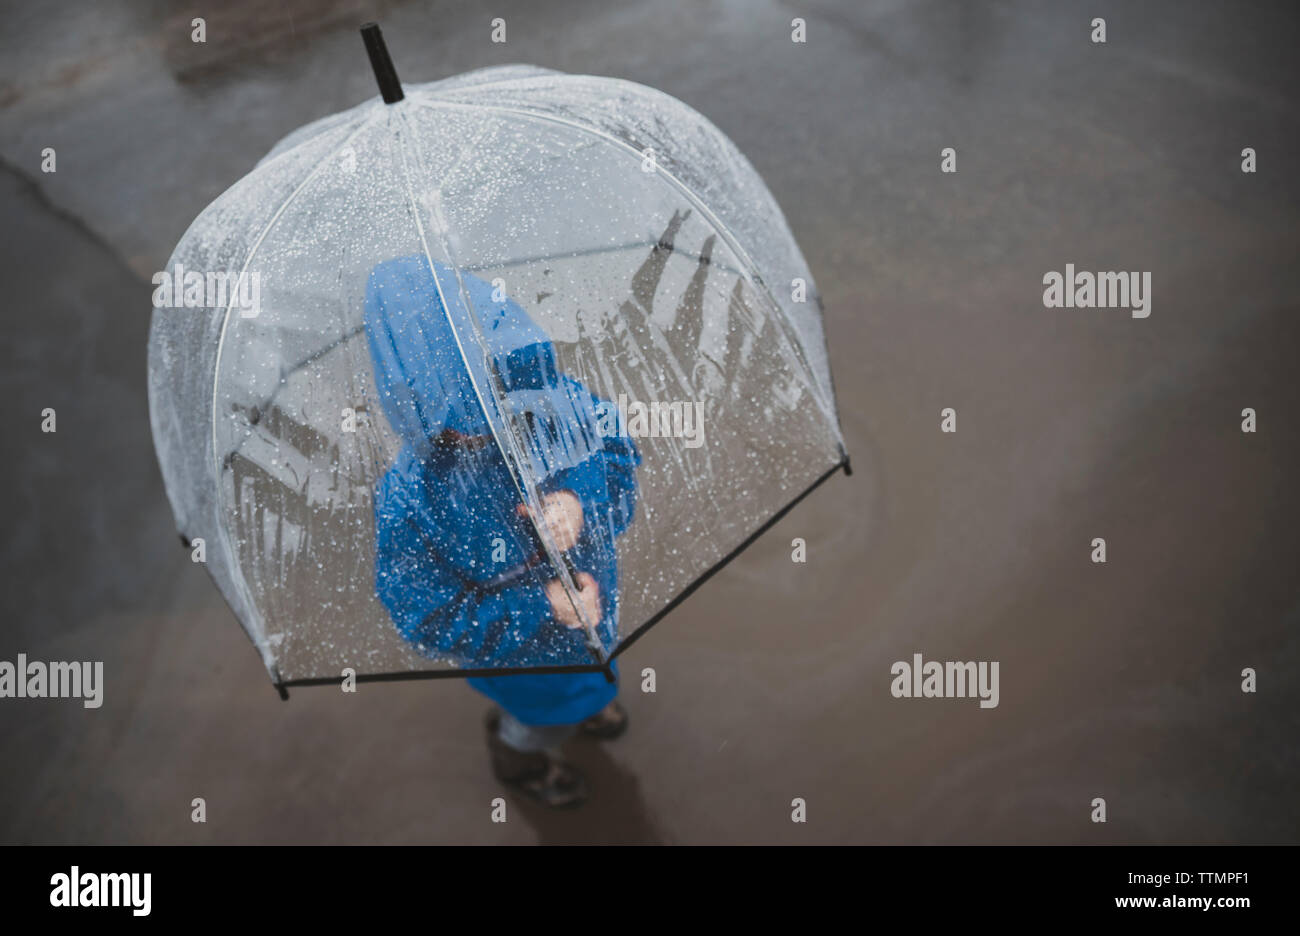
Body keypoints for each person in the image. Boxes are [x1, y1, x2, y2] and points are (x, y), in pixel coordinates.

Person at [364, 254, 640, 807]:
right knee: (537, 723)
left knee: (596, 667)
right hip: (525, 667)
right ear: (414, 406)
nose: (491, 434)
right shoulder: (411, 506)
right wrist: (542, 608)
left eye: (503, 410)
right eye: (460, 425)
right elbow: (428, 617)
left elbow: (620, 461)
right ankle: (520, 761)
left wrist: (582, 503)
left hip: (596, 611)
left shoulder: (559, 405)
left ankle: (590, 699)